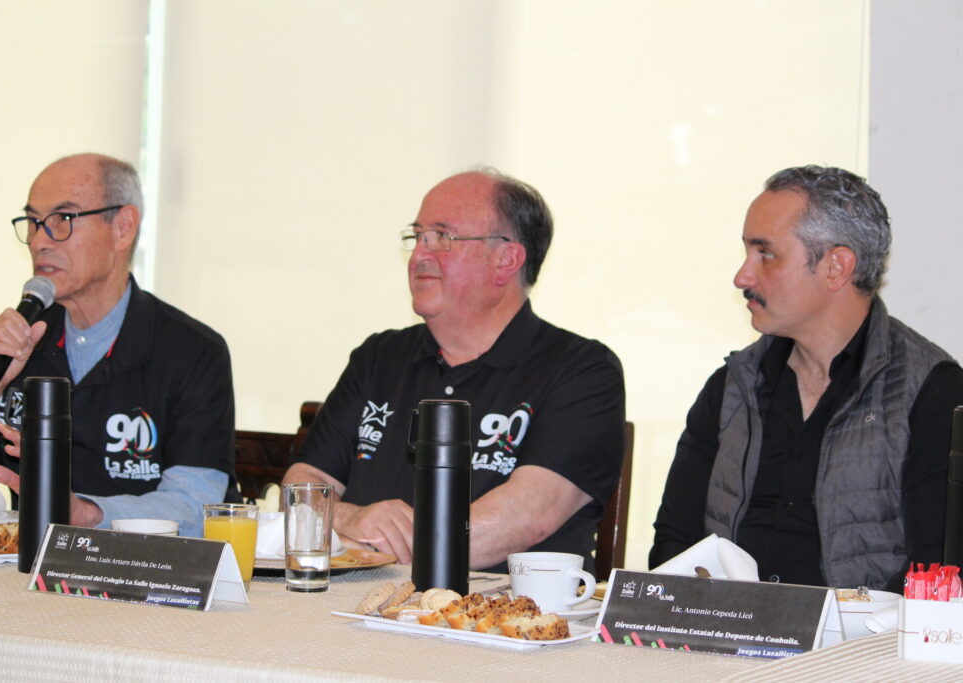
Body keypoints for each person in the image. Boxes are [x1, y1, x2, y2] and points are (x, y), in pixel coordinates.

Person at [283, 169, 626, 573]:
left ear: (506, 260)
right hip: (354, 600)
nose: (419, 255)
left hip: (503, 607)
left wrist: (380, 547)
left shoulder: (582, 370)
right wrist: (352, 518)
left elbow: (528, 516)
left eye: (442, 237)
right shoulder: (379, 357)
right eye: (417, 237)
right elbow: (302, 485)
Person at [650, 165, 963, 591]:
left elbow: (936, 572)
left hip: (858, 633)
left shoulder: (934, 392)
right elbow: (673, 546)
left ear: (836, 267)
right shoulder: (732, 386)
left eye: (766, 254)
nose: (742, 277)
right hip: (725, 625)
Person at [0, 153, 235, 537]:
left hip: (144, 569)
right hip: (26, 568)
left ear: (123, 228)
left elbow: (197, 508)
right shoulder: (15, 343)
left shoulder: (193, 352)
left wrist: (86, 513)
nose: (39, 241)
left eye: (63, 219)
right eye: (33, 222)